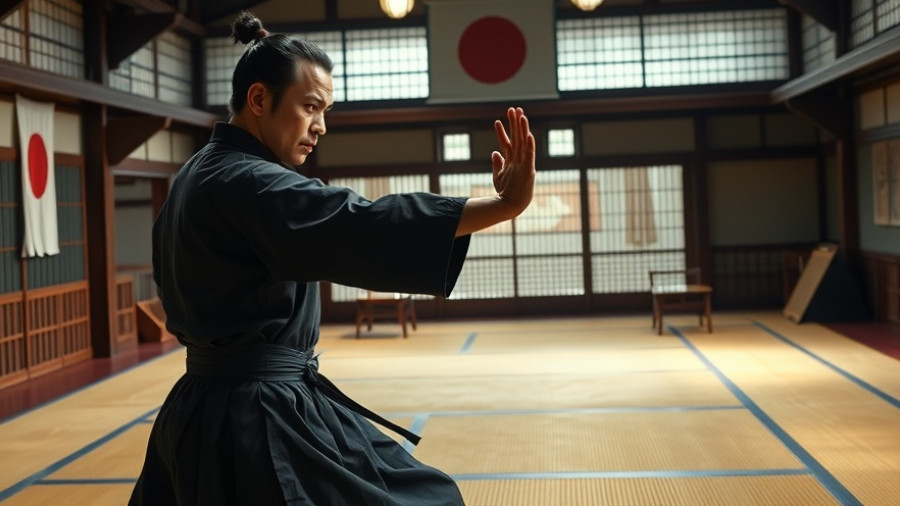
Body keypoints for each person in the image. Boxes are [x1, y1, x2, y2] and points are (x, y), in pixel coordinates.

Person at [130, 11, 535, 506]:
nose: (321, 127)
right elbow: (357, 222)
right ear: (259, 99)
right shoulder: (246, 181)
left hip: (204, 406)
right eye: (310, 107)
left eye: (326, 112)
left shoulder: (198, 172)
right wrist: (502, 206)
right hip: (255, 416)